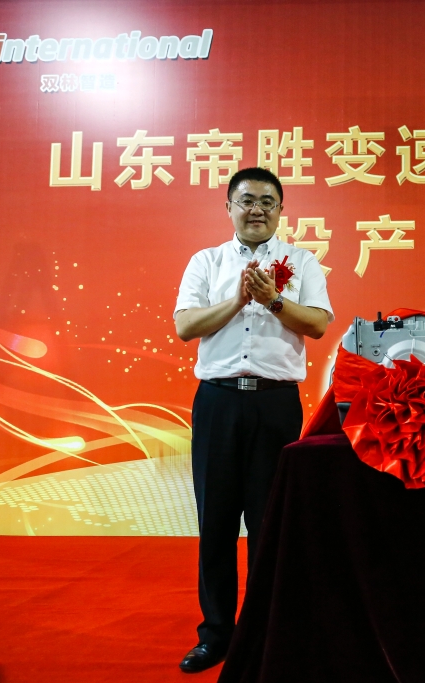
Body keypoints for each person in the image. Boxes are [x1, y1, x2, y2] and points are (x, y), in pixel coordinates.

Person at [173, 167, 333, 673]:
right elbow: (185, 326)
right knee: (216, 522)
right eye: (246, 200)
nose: (257, 209)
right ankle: (217, 633)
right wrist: (239, 299)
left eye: (267, 201)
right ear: (229, 207)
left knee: (270, 525)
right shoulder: (206, 261)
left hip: (275, 404)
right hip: (218, 403)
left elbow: (318, 324)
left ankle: (267, 632)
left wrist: (273, 300)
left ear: (281, 210)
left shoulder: (303, 261)